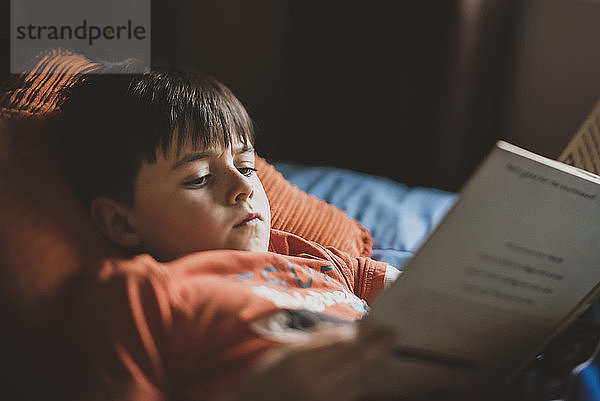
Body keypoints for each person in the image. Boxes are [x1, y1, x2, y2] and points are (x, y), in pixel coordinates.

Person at [57, 62, 403, 401]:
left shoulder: (304, 255)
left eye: (246, 166)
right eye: (199, 178)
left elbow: (421, 286)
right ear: (121, 223)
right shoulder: (141, 293)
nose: (244, 186)